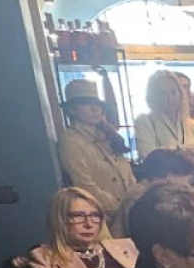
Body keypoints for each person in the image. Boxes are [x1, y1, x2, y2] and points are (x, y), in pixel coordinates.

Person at [28, 187, 139, 268]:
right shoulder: (45, 258)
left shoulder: (126, 246)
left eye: (95, 215)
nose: (89, 224)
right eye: (78, 216)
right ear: (60, 220)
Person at [56, 78, 138, 223]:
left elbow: (128, 174)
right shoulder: (70, 140)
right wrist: (118, 206)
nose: (95, 109)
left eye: (97, 104)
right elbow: (83, 184)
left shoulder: (109, 136)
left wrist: (134, 201)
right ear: (72, 110)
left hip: (129, 213)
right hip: (101, 217)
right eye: (86, 103)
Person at [132, 70, 194, 161]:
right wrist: (183, 150)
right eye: (163, 93)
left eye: (173, 92)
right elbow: (147, 155)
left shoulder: (193, 125)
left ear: (180, 94)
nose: (170, 98)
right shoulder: (145, 121)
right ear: (153, 96)